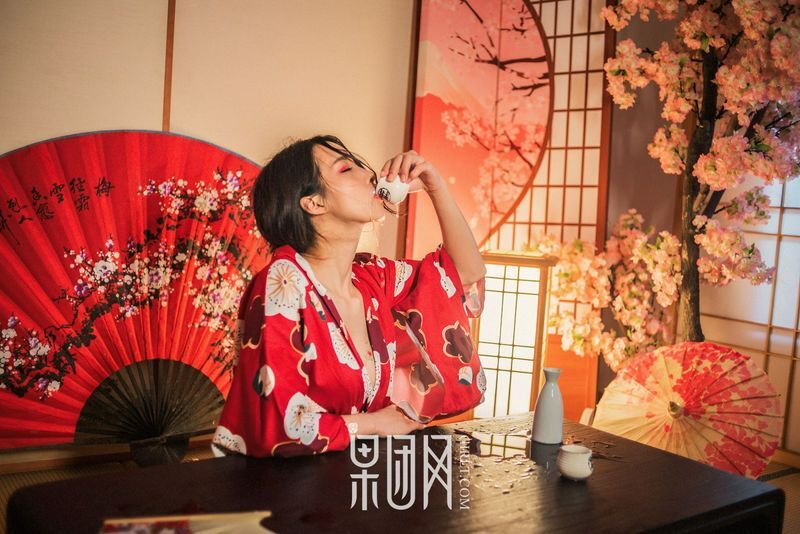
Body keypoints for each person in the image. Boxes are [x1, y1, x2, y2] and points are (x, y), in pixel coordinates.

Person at [212, 135, 487, 457]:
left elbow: (462, 274)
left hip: (357, 471)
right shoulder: (284, 281)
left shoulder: (371, 279)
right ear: (314, 203)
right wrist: (372, 424)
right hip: (288, 479)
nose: (369, 174)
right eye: (346, 169)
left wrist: (435, 185)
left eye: (359, 164)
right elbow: (276, 422)